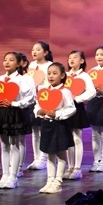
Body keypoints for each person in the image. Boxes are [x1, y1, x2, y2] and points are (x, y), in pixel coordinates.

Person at [0, 52, 35, 189]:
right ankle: (5, 175)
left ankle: (13, 177)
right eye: (5, 60)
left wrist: (15, 104)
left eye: (11, 60)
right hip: (2, 113)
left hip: (15, 113)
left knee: (14, 145)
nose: (7, 62)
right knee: (4, 145)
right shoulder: (0, 79)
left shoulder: (22, 79)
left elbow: (31, 97)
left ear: (18, 63)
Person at [36, 62, 76, 194]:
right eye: (49, 73)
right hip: (46, 125)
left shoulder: (65, 92)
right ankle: (50, 180)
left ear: (62, 75)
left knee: (60, 154)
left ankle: (58, 182)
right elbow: (37, 105)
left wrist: (57, 114)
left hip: (59, 125)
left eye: (55, 73)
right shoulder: (44, 91)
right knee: (49, 154)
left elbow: (71, 108)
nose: (51, 76)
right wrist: (38, 111)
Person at [64, 50, 96, 180]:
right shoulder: (65, 75)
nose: (71, 60)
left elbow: (92, 92)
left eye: (75, 57)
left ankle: (77, 168)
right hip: (65, 108)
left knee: (76, 138)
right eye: (70, 58)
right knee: (68, 138)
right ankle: (70, 167)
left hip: (77, 107)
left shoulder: (85, 76)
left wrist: (77, 98)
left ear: (82, 61)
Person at [27, 41, 54, 170]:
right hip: (33, 101)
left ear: (45, 52)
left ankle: (43, 158)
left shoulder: (50, 66)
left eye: (38, 49)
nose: (34, 52)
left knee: (43, 130)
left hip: (45, 100)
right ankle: (36, 158)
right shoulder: (31, 65)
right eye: (33, 49)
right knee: (35, 130)